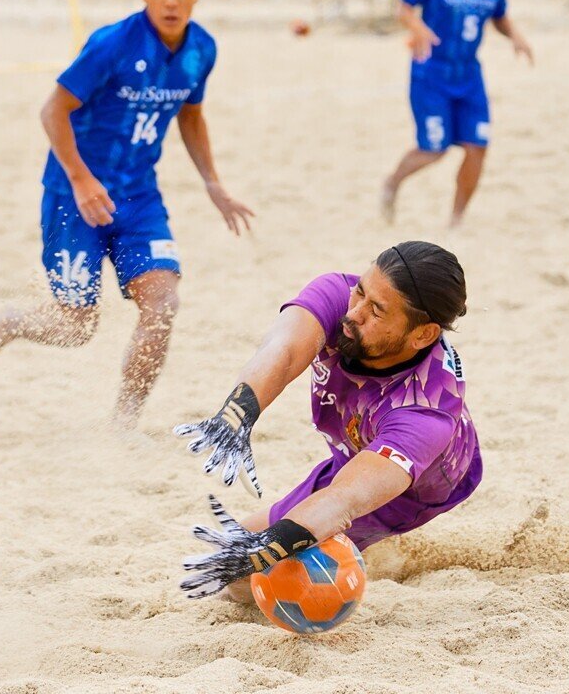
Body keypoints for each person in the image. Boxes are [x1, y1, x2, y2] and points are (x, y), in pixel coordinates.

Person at [0, 0, 253, 432]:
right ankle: (13, 321)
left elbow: (191, 115)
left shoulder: (201, 49)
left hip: (139, 198)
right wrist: (80, 181)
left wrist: (213, 182)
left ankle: (123, 424)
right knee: (78, 326)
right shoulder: (111, 45)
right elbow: (53, 110)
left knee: (163, 305)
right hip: (72, 197)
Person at [173, 241, 480, 600]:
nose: (355, 313)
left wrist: (265, 551)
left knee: (246, 582)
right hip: (353, 451)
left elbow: (342, 500)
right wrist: (236, 416)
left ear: (423, 334)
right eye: (361, 291)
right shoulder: (339, 294)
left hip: (415, 487)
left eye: (377, 312)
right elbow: (283, 349)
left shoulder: (425, 411)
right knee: (228, 556)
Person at [382, 0, 533, 228]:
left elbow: (499, 16)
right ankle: (392, 182)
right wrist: (418, 26)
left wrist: (516, 36)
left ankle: (456, 222)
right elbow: (404, 7)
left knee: (477, 146)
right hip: (431, 72)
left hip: (469, 74)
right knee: (434, 149)